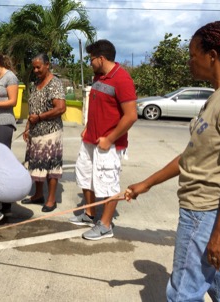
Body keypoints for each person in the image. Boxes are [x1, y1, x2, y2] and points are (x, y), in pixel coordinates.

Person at [125, 21, 220, 300]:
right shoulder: (217, 97)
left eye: (192, 55)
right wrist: (146, 183)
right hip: (209, 212)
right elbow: (192, 157)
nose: (190, 61)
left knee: (182, 294)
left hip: (207, 211)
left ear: (211, 56)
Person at [68, 39, 137, 240]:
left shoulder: (122, 79)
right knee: (85, 175)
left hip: (109, 144)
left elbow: (131, 115)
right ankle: (90, 214)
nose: (90, 62)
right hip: (91, 139)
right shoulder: (99, 77)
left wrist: (110, 138)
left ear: (101, 58)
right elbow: (97, 106)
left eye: (91, 59)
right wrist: (88, 127)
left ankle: (105, 225)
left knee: (108, 182)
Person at [21, 53, 66, 213]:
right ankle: (38, 195)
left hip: (51, 133)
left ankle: (51, 199)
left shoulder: (55, 83)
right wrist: (28, 126)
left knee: (51, 167)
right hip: (36, 132)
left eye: (38, 67)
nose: (35, 70)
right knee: (36, 165)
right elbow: (32, 108)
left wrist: (39, 117)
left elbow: (60, 108)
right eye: (33, 67)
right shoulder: (36, 84)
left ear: (47, 65)